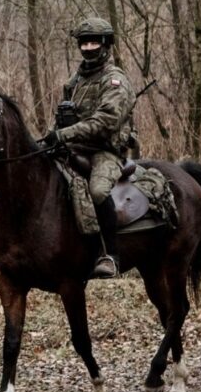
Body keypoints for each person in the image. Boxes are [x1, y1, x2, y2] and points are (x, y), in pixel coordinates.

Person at [39, 17, 135, 279]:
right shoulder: (76, 80)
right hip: (74, 146)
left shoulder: (115, 80)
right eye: (85, 42)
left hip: (105, 150)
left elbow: (106, 121)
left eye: (94, 42)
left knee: (98, 190)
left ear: (105, 44)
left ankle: (110, 255)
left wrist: (64, 133)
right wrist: (53, 135)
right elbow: (63, 115)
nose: (89, 47)